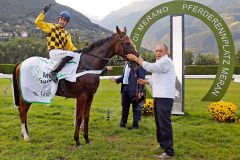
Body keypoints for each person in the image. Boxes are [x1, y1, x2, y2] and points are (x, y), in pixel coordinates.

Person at [127, 44, 176, 159]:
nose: (158, 53)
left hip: (165, 98)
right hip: (158, 96)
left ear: (166, 52)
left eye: (160, 51)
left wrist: (136, 59)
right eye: (156, 51)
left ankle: (169, 152)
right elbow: (157, 78)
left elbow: (151, 68)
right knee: (159, 123)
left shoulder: (166, 62)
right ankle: (162, 145)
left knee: (165, 124)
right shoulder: (160, 63)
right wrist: (146, 82)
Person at [35, 4, 80, 83]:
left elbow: (71, 47)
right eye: (61, 19)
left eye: (64, 20)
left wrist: (79, 52)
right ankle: (53, 72)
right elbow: (38, 22)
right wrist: (44, 12)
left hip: (61, 55)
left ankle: (68, 77)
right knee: (72, 54)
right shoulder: (51, 27)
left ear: (67, 22)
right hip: (53, 52)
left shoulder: (67, 33)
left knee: (75, 55)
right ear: (58, 19)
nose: (62, 22)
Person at [110, 62, 146, 129]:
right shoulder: (126, 63)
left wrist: (140, 90)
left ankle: (135, 126)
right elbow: (125, 76)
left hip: (134, 89)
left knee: (135, 108)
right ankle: (123, 124)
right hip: (124, 88)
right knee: (124, 107)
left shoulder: (138, 64)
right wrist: (116, 80)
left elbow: (141, 78)